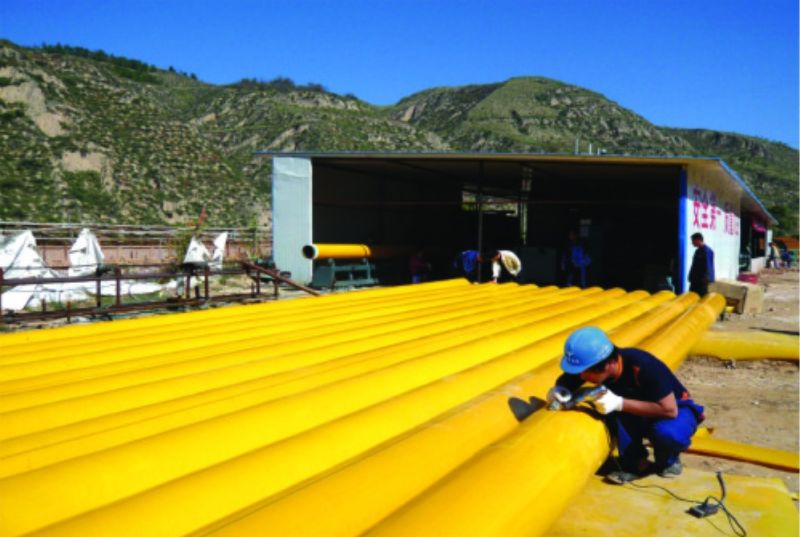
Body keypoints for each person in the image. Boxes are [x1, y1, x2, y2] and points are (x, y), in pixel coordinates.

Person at [548, 327, 704, 484]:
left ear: (608, 364)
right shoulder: (593, 366)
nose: (581, 376)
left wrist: (618, 403)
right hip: (636, 409)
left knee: (667, 433)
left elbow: (669, 410)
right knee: (612, 414)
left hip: (676, 409)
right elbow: (568, 380)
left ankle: (668, 461)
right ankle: (637, 464)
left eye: (585, 372)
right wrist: (561, 390)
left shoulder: (643, 366)